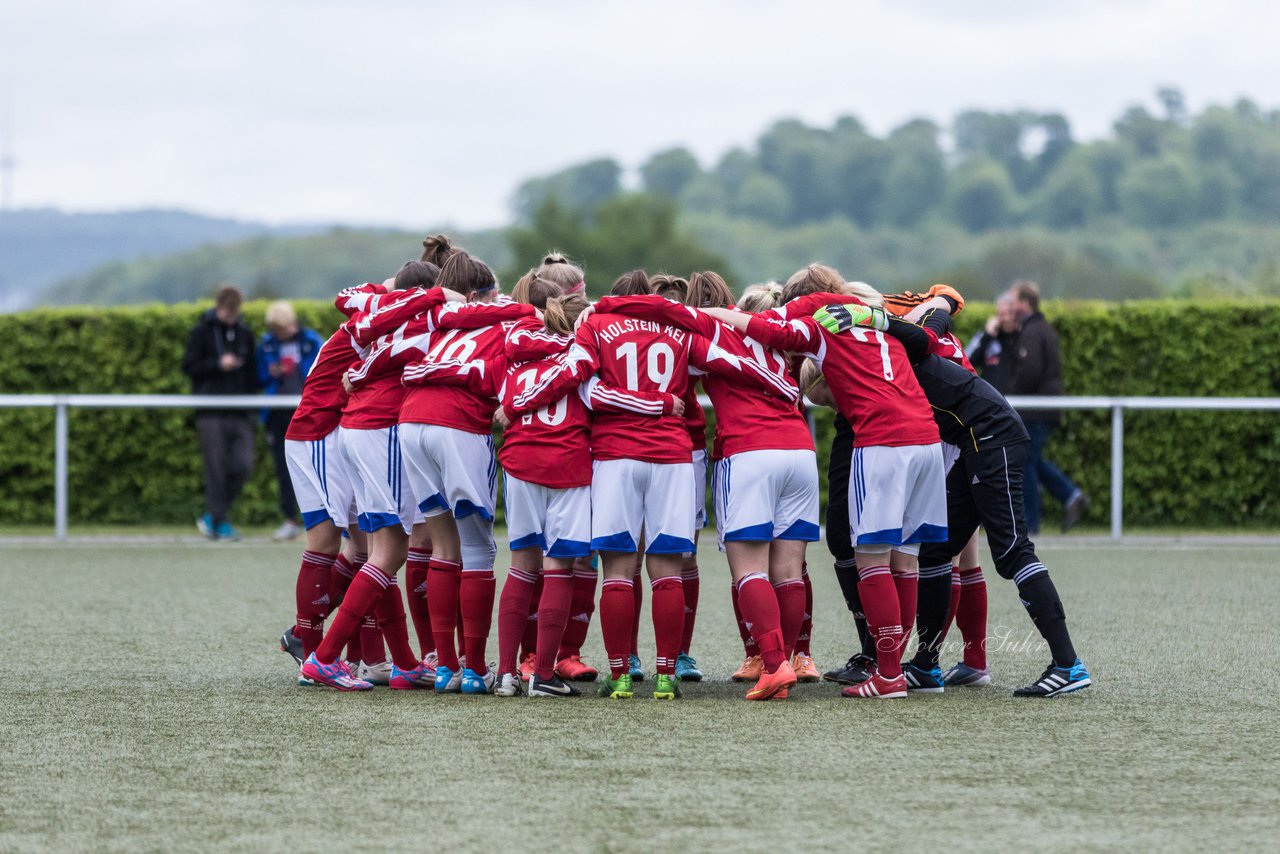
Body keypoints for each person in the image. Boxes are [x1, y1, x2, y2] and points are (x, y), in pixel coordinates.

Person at [815, 299, 1092, 697]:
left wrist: (873, 317)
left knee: (1013, 551)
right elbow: (938, 311)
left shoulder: (892, 351)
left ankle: (1068, 665)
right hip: (972, 441)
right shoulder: (890, 353)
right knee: (936, 551)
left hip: (991, 436)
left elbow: (936, 313)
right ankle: (927, 666)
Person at [702, 264, 948, 700]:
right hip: (928, 438)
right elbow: (928, 334)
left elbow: (770, 331)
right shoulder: (877, 316)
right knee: (906, 561)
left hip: (882, 441)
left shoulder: (818, 321)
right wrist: (943, 300)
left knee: (870, 559)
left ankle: (886, 672)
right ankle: (894, 668)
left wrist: (711, 315)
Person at [589, 279, 816, 701]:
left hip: (655, 453)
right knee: (784, 569)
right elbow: (739, 364)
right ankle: (777, 659)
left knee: (622, 569)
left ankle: (623, 674)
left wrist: (601, 305)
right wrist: (784, 386)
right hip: (792, 448)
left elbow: (588, 388)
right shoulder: (774, 333)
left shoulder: (667, 325)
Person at [1006, 280, 1090, 533]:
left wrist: (1010, 395)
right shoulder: (1040, 329)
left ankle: (1031, 525)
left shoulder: (1032, 332)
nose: (1010, 305)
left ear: (1024, 302)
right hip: (1042, 409)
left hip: (1036, 410)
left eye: (1013, 300)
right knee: (1032, 460)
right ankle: (1071, 495)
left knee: (1027, 464)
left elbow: (1029, 372)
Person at [181, 284, 259, 541]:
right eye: (227, 313)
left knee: (243, 465)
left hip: (240, 411)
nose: (230, 318)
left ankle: (213, 517)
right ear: (218, 307)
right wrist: (217, 365)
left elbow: (251, 374)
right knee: (215, 468)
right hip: (211, 411)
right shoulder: (202, 332)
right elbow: (189, 366)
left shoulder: (245, 333)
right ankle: (220, 521)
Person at [257, 301, 325, 542]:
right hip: (277, 414)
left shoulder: (311, 341)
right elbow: (258, 376)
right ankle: (289, 520)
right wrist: (271, 372)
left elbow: (324, 371)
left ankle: (322, 520)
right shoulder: (266, 344)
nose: (279, 334)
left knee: (316, 468)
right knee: (283, 469)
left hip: (308, 410)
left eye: (282, 328)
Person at [965, 292, 1019, 393]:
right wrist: (988, 336)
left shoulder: (1021, 335)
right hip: (992, 397)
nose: (1005, 318)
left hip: (1016, 399)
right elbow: (966, 362)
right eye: (1000, 314)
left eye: (1008, 313)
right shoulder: (986, 336)